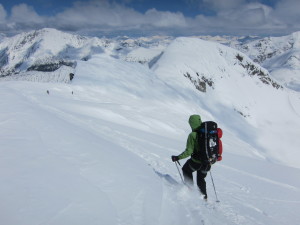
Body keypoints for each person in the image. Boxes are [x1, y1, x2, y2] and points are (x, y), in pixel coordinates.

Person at [171, 114, 211, 200]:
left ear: (191, 124)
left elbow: (189, 151)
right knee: (201, 179)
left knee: (186, 169)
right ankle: (204, 198)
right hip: (208, 162)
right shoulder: (208, 133)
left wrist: (177, 157)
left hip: (196, 162)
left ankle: (190, 190)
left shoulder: (192, 135)